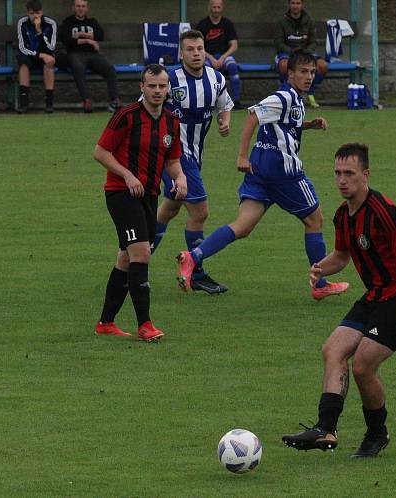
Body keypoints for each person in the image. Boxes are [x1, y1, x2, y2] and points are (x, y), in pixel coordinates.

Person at [282, 143, 396, 458]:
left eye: (349, 173)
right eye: (337, 173)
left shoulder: (383, 211)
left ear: (365, 175)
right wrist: (321, 267)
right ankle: (326, 429)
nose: (342, 180)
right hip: (375, 295)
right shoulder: (343, 215)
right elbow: (343, 255)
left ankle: (377, 433)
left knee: (362, 365)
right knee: (332, 349)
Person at [176, 50, 348, 300]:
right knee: (314, 221)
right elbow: (252, 116)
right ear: (290, 74)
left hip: (261, 172)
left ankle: (193, 257)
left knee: (242, 226)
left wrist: (309, 125)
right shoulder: (284, 96)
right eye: (303, 72)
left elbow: (284, 123)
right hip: (283, 172)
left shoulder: (295, 99)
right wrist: (241, 156)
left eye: (312, 72)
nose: (309, 77)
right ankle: (320, 283)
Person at [93, 64, 187, 341]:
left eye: (162, 86)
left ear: (168, 87)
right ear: (142, 88)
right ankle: (145, 325)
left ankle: (106, 322)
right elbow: (100, 151)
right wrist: (127, 175)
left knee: (126, 256)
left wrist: (180, 178)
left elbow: (172, 161)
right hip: (121, 193)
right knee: (141, 253)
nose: (158, 91)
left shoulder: (171, 122)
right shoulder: (126, 116)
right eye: (152, 86)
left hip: (149, 195)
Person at [151, 30, 233, 295]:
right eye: (190, 49)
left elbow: (225, 104)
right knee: (200, 211)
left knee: (170, 209)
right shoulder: (170, 79)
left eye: (199, 48)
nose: (196, 54)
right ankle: (195, 271)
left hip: (195, 154)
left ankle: (133, 259)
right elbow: (147, 106)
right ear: (181, 53)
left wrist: (225, 121)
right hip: (173, 154)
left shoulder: (215, 78)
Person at [58, 0, 120, 113]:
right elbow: (66, 39)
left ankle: (114, 101)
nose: (81, 8)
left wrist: (80, 35)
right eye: (78, 6)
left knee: (110, 68)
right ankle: (87, 100)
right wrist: (89, 40)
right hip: (75, 54)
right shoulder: (68, 22)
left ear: (87, 8)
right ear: (73, 8)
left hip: (93, 55)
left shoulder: (92, 21)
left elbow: (100, 35)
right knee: (78, 67)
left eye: (83, 6)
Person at [275, 0, 327, 108]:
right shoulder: (281, 21)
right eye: (293, 3)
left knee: (322, 66)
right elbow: (279, 43)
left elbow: (313, 41)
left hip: (305, 52)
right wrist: (293, 51)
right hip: (288, 53)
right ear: (289, 4)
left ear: (302, 4)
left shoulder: (309, 20)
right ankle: (289, 93)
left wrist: (307, 51)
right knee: (284, 65)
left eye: (298, 3)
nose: (295, 6)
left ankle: (310, 92)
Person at [195, 0, 244, 110]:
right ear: (209, 8)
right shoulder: (202, 24)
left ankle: (236, 100)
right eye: (214, 7)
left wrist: (223, 57)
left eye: (218, 7)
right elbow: (197, 46)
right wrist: (211, 58)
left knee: (233, 67)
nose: (216, 10)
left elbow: (234, 45)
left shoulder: (228, 24)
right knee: (204, 69)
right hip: (207, 56)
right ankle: (207, 101)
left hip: (225, 56)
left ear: (222, 8)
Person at [16, 0, 57, 114]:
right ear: (27, 13)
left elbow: (51, 48)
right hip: (29, 54)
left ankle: (49, 103)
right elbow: (22, 47)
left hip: (45, 54)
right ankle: (23, 103)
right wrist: (39, 55)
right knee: (24, 65)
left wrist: (39, 31)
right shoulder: (22, 23)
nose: (35, 16)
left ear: (42, 12)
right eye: (31, 13)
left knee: (49, 63)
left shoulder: (50, 23)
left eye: (38, 13)